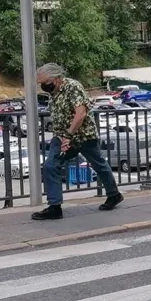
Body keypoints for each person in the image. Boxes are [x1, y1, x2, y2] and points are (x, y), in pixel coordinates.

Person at [33, 63, 123, 221]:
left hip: (83, 136)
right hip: (61, 136)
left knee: (99, 164)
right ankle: (55, 207)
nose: (43, 86)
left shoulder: (73, 87)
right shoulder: (54, 91)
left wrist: (68, 135)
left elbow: (80, 113)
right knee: (50, 166)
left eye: (45, 82)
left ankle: (114, 195)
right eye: (40, 83)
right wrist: (63, 136)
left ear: (57, 79)